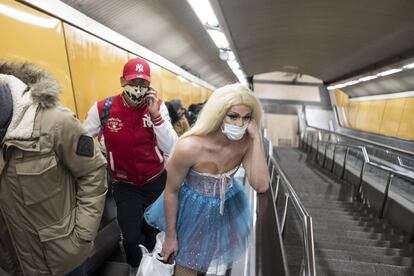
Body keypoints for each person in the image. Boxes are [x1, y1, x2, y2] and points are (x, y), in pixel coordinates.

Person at [144, 83, 270, 275]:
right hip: (191, 214)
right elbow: (171, 190)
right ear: (218, 114)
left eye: (246, 118)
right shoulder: (189, 146)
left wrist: (256, 138)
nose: (239, 124)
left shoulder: (245, 144)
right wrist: (171, 237)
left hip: (223, 214)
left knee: (203, 268)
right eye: (233, 116)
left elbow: (261, 185)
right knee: (186, 268)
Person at [0, 61, 108, 276]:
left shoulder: (54, 121)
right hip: (14, 262)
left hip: (63, 260)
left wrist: (81, 237)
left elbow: (93, 172)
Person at [83, 58, 178, 273]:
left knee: (155, 231)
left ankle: (154, 268)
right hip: (124, 185)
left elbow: (172, 146)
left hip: (155, 181)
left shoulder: (159, 107)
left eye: (143, 84)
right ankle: (136, 266)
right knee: (131, 237)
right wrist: (100, 158)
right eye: (134, 82)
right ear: (122, 81)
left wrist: (155, 117)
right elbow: (82, 138)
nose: (138, 88)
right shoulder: (103, 109)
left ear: (150, 86)